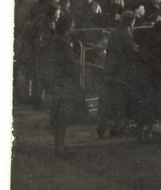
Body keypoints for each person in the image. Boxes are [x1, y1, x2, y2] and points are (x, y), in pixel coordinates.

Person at [48, 15, 90, 155]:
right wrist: (78, 65)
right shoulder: (63, 43)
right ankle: (59, 147)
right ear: (67, 27)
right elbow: (67, 64)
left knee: (59, 114)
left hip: (56, 81)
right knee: (62, 115)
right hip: (64, 83)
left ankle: (59, 145)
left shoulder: (56, 40)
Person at [132, 20, 161, 142]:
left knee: (141, 104)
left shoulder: (146, 39)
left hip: (142, 75)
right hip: (155, 75)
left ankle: (139, 131)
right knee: (153, 104)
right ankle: (149, 132)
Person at [97, 10, 138, 137]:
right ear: (131, 21)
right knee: (120, 100)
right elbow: (130, 53)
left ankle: (101, 125)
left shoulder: (114, 32)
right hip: (121, 72)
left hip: (109, 69)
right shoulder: (126, 34)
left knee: (107, 99)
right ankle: (117, 127)